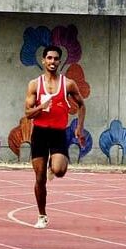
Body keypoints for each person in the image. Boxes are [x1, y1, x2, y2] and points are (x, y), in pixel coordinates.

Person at [25, 45, 86, 229]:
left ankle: (54, 166)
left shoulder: (68, 84)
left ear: (60, 62)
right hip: (40, 133)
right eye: (49, 58)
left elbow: (82, 105)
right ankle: (42, 215)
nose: (52, 62)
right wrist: (40, 107)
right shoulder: (35, 84)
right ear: (43, 60)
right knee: (39, 178)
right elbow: (28, 113)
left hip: (58, 132)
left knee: (59, 171)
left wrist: (79, 128)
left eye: (56, 59)